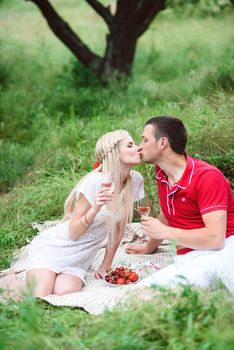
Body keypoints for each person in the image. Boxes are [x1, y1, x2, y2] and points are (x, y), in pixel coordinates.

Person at [0, 130, 144, 298]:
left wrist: (106, 265)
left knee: (65, 291)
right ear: (114, 153)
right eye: (130, 145)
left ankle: (41, 279)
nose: (138, 148)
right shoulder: (96, 182)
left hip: (81, 256)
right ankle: (9, 280)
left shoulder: (136, 180)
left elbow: (119, 228)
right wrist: (96, 208)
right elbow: (74, 232)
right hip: (56, 247)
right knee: (40, 294)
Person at [126, 116, 234, 294]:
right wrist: (149, 247)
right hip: (192, 255)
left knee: (144, 295)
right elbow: (168, 213)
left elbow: (216, 239)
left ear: (162, 143)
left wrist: (167, 232)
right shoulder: (162, 173)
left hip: (223, 250)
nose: (139, 146)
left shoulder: (207, 177)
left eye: (145, 140)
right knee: (140, 296)